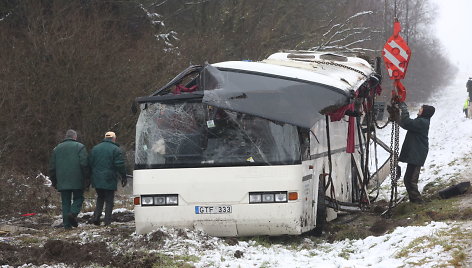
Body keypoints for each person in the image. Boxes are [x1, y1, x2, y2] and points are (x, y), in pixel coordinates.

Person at [49, 129, 89, 229]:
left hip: (62, 180)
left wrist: (54, 181)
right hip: (77, 179)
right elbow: (84, 164)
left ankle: (67, 226)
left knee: (65, 202)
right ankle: (73, 213)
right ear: (74, 137)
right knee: (79, 198)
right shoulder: (80, 147)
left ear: (66, 137)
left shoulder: (56, 149)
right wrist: (87, 178)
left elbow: (52, 167)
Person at [397, 102, 435, 203]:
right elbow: (406, 124)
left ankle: (417, 201)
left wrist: (404, 109)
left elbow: (407, 122)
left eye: (421, 109)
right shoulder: (421, 121)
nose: (419, 110)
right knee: (408, 179)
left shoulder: (422, 122)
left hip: (417, 155)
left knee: (410, 180)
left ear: (425, 112)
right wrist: (397, 119)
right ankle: (414, 200)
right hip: (416, 154)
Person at [89, 131, 127, 226]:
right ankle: (107, 221)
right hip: (109, 178)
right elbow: (119, 164)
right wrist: (123, 176)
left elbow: (89, 163)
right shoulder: (116, 149)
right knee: (109, 200)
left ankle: (96, 217)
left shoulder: (95, 148)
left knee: (100, 197)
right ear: (114, 138)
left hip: (97, 178)